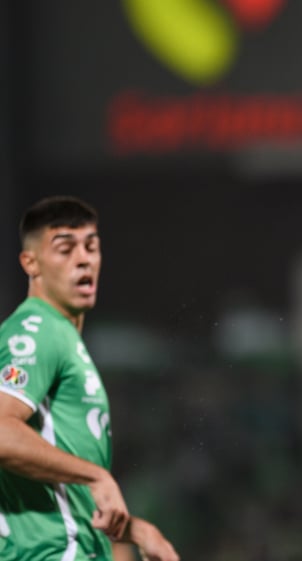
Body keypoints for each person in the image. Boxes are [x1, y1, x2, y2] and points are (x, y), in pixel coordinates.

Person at [0, 196, 179, 561]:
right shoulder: (37, 330)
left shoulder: (64, 339)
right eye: (65, 249)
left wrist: (138, 531)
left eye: (91, 246)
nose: (84, 258)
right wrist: (97, 476)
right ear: (30, 262)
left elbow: (65, 494)